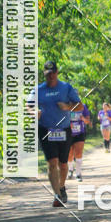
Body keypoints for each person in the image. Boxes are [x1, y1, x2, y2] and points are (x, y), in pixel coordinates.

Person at [34, 60, 82, 207]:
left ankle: (61, 186)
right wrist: (34, 112)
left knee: (63, 163)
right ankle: (57, 195)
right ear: (44, 74)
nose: (51, 76)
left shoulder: (66, 88)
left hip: (64, 129)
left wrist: (67, 106)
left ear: (57, 72)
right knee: (52, 163)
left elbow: (79, 106)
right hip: (46, 129)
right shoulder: (38, 90)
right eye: (48, 74)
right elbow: (29, 106)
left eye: (53, 73)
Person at [68, 103, 91, 180]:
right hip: (68, 133)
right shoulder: (65, 106)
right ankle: (70, 169)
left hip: (80, 132)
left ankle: (78, 173)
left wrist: (83, 119)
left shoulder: (83, 106)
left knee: (78, 153)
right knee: (69, 154)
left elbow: (87, 121)